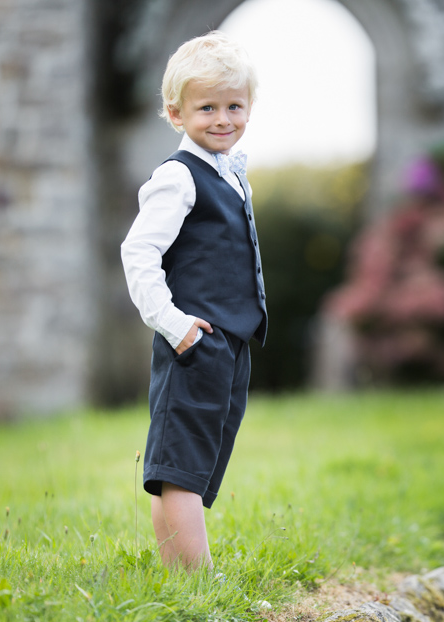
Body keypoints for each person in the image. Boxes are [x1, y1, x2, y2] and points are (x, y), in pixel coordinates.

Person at [121, 31, 267, 571]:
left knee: (193, 465)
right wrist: (173, 324)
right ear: (176, 114)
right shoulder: (179, 177)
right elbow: (138, 252)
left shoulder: (230, 172)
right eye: (207, 107)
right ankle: (201, 584)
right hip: (195, 341)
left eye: (234, 105)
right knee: (181, 467)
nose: (223, 118)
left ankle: (177, 577)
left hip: (228, 342)